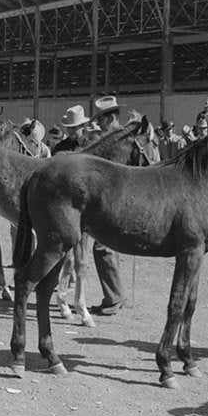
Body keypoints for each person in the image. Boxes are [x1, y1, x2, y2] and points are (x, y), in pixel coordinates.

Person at [87, 95, 125, 315]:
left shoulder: (118, 140)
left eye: (101, 119)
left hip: (115, 199)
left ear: (110, 118)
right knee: (108, 247)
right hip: (112, 198)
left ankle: (114, 298)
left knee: (103, 246)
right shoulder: (115, 137)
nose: (98, 124)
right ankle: (115, 296)